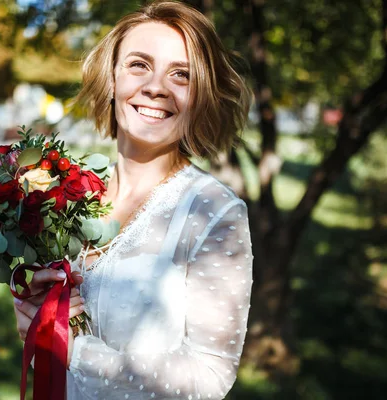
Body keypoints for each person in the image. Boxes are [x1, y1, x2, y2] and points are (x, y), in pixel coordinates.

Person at [13, 1, 254, 398]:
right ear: (111, 78)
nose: (156, 86)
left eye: (181, 75)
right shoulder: (72, 192)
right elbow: (55, 339)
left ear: (201, 97)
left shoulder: (214, 211)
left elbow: (210, 376)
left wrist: (76, 352)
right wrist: (40, 318)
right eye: (139, 64)